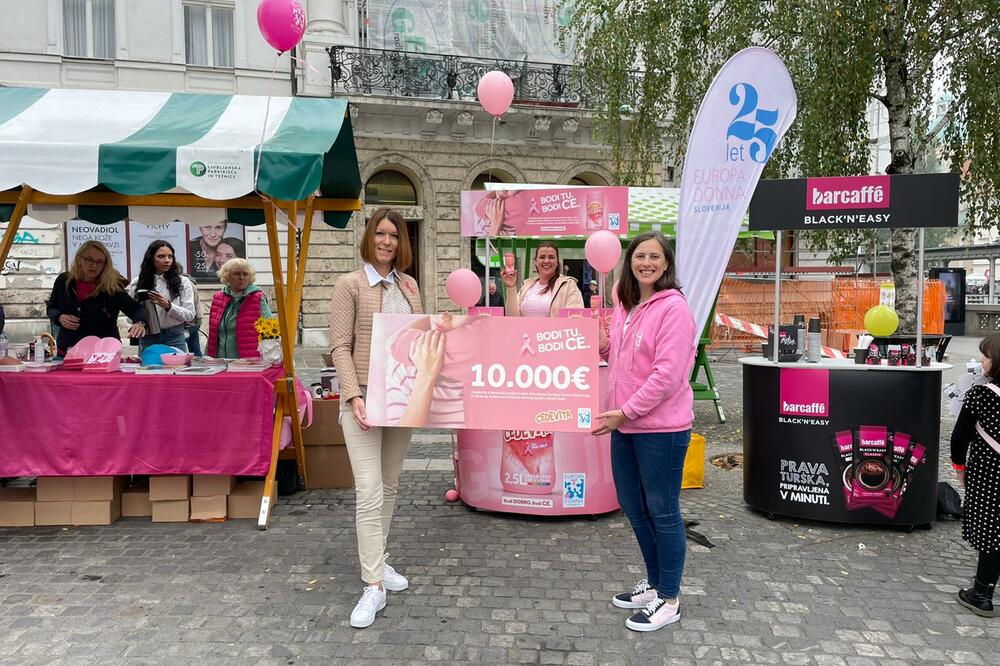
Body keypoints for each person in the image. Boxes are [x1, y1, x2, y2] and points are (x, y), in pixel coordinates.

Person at [592, 231, 696, 632]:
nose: (646, 263)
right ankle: (655, 584)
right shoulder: (625, 302)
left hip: (661, 430)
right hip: (625, 424)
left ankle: (669, 598)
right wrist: (602, 342)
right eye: (640, 256)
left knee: (663, 511)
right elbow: (618, 356)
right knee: (633, 506)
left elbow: (667, 375)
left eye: (655, 256)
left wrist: (625, 412)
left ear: (666, 263)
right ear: (630, 262)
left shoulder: (674, 310)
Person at [329, 207, 423, 628]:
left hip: (402, 400)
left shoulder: (410, 285)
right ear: (369, 238)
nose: (387, 241)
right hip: (365, 399)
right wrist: (352, 396)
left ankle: (379, 561)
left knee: (389, 485)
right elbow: (338, 346)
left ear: (403, 244)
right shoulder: (349, 284)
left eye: (394, 236)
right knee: (368, 491)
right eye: (380, 234)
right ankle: (373, 585)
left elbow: (419, 339)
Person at [950, 332, 1000, 617]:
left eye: (987, 355)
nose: (982, 360)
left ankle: (982, 593)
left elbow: (960, 437)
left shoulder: (982, 395)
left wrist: (959, 468)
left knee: (992, 533)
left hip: (989, 473)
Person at [46, 241, 147, 356]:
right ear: (79, 259)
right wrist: (59, 317)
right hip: (69, 349)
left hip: (104, 352)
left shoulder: (112, 285)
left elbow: (136, 309)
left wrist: (139, 323)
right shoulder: (63, 281)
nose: (94, 265)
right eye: (89, 260)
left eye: (100, 262)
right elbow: (51, 308)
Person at [127, 241, 195, 352]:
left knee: (177, 368)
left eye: (170, 256)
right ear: (151, 258)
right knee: (149, 368)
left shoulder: (183, 282)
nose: (167, 260)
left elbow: (190, 315)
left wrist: (168, 306)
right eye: (161, 256)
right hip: (148, 336)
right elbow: (130, 315)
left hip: (174, 336)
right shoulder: (137, 283)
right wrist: (140, 321)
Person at [206, 258, 272, 359]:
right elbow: (213, 334)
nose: (241, 277)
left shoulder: (257, 298)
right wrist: (207, 357)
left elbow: (269, 330)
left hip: (247, 362)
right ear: (227, 276)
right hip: (219, 362)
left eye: (245, 274)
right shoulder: (218, 298)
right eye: (236, 274)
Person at [501, 241, 583, 317]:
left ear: (557, 262)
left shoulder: (568, 285)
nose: (546, 261)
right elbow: (512, 318)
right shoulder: (527, 285)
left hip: (553, 332)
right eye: (542, 257)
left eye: (551, 257)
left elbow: (575, 320)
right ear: (535, 261)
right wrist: (511, 287)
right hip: (525, 332)